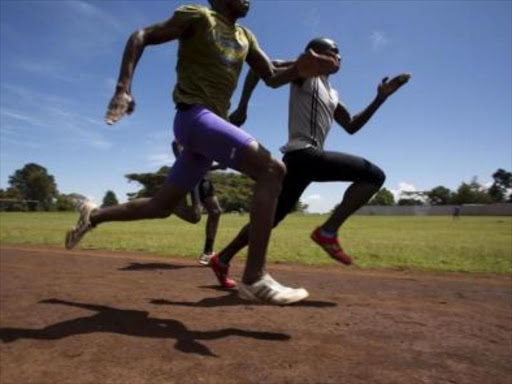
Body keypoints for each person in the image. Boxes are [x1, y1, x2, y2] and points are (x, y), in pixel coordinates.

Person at [64, 0, 337, 305]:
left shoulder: (246, 36)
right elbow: (140, 35)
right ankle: (255, 277)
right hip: (193, 117)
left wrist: (301, 68)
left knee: (160, 206)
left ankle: (93, 215)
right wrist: (122, 88)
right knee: (272, 170)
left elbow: (272, 76)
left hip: (206, 132)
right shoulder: (198, 17)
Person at [209, 37, 410, 287]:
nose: (338, 56)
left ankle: (223, 258)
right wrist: (242, 107)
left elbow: (352, 125)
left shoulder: (331, 92)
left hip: (301, 162)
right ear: (314, 54)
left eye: (339, 52)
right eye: (333, 51)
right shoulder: (303, 72)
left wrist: (380, 98)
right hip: (304, 154)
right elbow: (260, 68)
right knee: (374, 176)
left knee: (271, 219)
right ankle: (327, 232)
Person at [171, 140, 222, 266]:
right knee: (195, 217)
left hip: (204, 180)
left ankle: (208, 252)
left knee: (216, 212)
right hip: (191, 179)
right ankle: (171, 207)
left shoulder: (208, 142)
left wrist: (219, 166)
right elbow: (175, 144)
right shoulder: (189, 135)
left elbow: (204, 165)